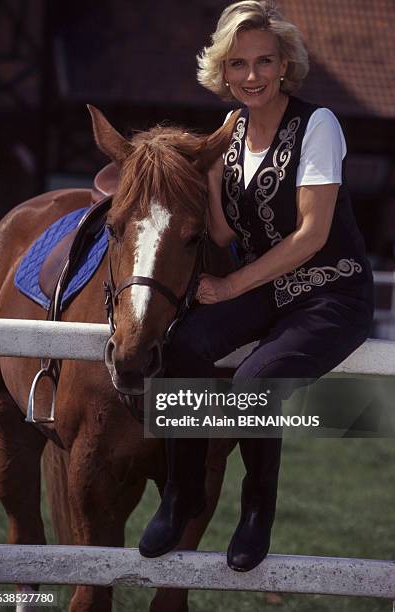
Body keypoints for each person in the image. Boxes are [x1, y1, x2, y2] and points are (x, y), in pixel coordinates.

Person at [138, 0, 374, 571]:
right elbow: (223, 230)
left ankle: (255, 513)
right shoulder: (231, 130)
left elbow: (312, 236)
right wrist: (215, 178)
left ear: (284, 63)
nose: (252, 76)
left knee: (252, 382)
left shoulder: (318, 124)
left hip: (331, 292)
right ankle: (181, 492)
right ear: (222, 71)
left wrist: (230, 286)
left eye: (264, 61)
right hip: (268, 290)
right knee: (182, 345)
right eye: (239, 64)